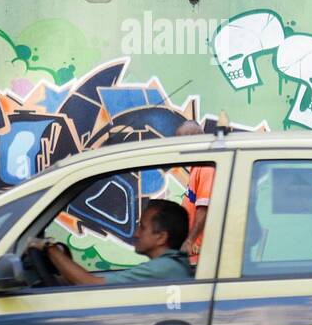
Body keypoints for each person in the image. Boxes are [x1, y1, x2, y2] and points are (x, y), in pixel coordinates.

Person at [30, 199, 193, 287]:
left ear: (161, 237)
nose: (136, 234)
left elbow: (89, 283)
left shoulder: (164, 268)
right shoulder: (167, 266)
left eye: (142, 228)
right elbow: (104, 279)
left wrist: (49, 247)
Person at [175, 120, 214, 263]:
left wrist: (190, 241)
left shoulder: (206, 167)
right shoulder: (197, 165)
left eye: (180, 142)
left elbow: (204, 208)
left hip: (200, 257)